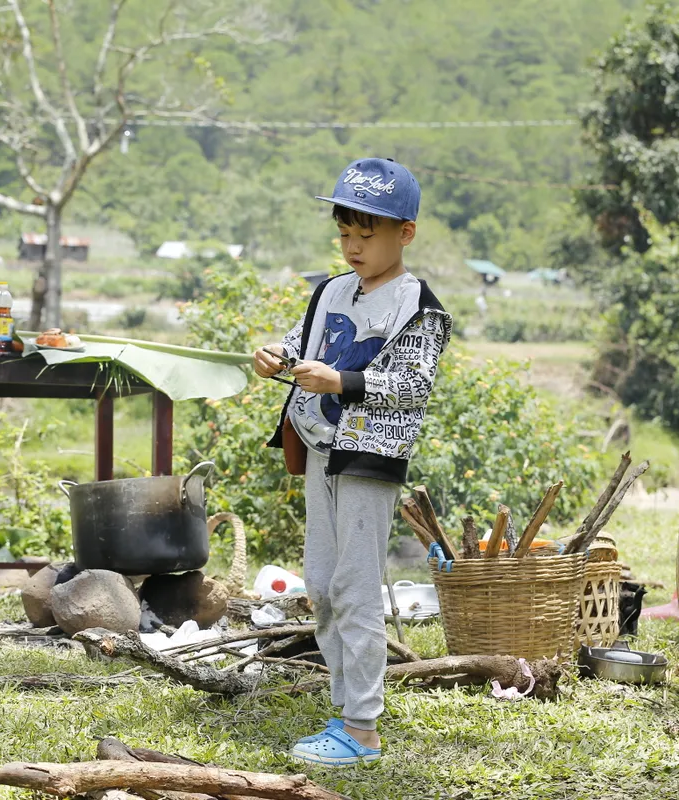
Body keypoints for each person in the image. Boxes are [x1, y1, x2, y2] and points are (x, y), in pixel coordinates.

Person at [252, 157, 452, 766]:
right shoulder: (332, 291)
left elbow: (413, 381)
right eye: (345, 234)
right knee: (320, 583)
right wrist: (275, 355)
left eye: (368, 235)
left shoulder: (418, 305)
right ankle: (344, 710)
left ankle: (362, 728)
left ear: (405, 233)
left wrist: (340, 381)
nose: (353, 247)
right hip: (319, 447)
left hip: (368, 458)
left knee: (356, 587)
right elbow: (300, 340)